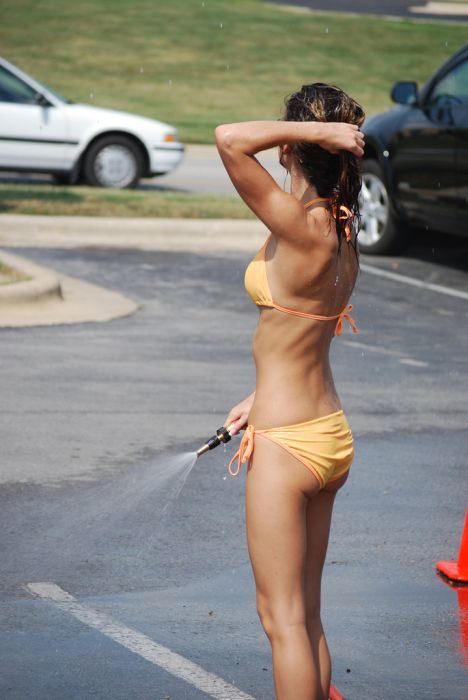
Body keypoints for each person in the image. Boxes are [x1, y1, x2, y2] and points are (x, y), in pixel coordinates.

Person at [215, 83, 365, 700]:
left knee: (282, 623)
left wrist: (313, 132)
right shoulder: (342, 226)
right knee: (306, 616)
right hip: (327, 433)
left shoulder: (298, 222)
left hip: (288, 447)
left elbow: (228, 140)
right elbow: (301, 329)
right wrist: (259, 395)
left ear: (294, 148)